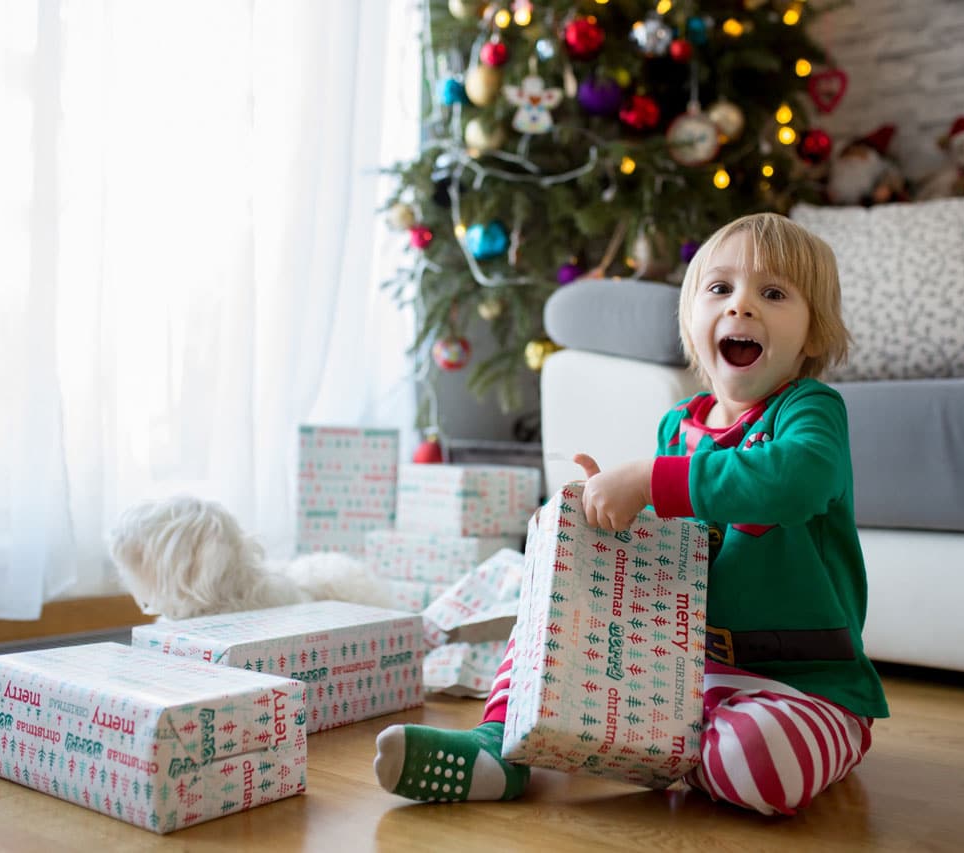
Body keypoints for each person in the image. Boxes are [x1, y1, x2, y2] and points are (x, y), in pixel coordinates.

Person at [373, 213, 889, 815]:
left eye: (772, 294)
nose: (741, 306)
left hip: (807, 689)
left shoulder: (809, 410)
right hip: (687, 675)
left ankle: (650, 754)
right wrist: (596, 533)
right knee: (550, 618)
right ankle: (500, 749)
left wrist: (649, 480)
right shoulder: (680, 425)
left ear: (815, 336)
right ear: (692, 324)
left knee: (757, 765)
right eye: (719, 289)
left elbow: (795, 482)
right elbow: (669, 549)